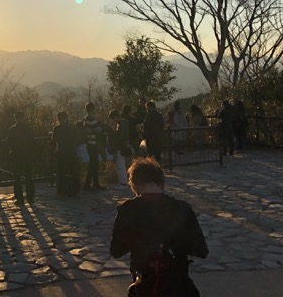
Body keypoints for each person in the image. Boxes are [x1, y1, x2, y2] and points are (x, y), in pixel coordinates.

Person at [110, 157, 208, 297]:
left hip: (144, 286)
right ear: (162, 184)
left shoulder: (128, 210)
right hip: (177, 286)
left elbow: (116, 251)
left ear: (135, 186)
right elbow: (202, 250)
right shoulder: (182, 208)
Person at [6, 110, 36, 205]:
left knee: (17, 179)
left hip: (17, 156)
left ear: (15, 118)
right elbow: (32, 142)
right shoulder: (29, 129)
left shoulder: (12, 129)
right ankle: (30, 197)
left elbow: (9, 142)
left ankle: (19, 199)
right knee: (29, 177)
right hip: (28, 156)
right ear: (23, 117)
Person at [50, 111, 81, 197]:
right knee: (74, 172)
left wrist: (53, 153)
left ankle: (61, 192)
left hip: (62, 152)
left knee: (61, 173)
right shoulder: (73, 127)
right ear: (66, 118)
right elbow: (78, 140)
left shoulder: (56, 128)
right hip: (72, 152)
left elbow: (54, 141)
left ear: (58, 119)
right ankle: (75, 191)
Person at [81, 102, 105, 190]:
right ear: (92, 109)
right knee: (93, 164)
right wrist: (101, 128)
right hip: (93, 144)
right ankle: (88, 184)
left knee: (94, 164)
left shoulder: (85, 118)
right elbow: (98, 129)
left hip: (90, 143)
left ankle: (95, 183)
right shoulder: (90, 119)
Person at [109, 110, 131, 187]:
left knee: (120, 164)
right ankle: (122, 181)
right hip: (122, 146)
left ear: (115, 117)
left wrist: (114, 135)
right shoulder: (124, 123)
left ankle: (123, 182)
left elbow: (121, 137)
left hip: (120, 147)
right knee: (120, 164)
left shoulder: (122, 124)